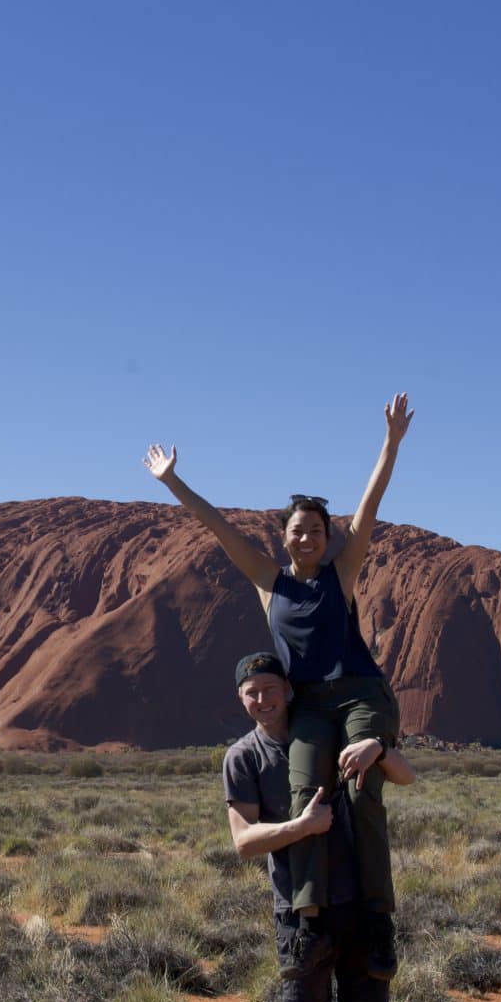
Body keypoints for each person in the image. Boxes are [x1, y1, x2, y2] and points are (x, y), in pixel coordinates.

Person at [144, 393, 413, 971]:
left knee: (362, 785)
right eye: (297, 530)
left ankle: (376, 921)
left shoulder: (342, 574)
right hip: (310, 705)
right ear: (284, 536)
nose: (307, 537)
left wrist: (390, 444)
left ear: (326, 536)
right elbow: (216, 527)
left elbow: (369, 506)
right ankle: (309, 917)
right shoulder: (269, 582)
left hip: (359, 693)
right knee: (305, 797)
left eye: (316, 529)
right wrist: (174, 481)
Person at [222, 650, 422, 1002]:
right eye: (251, 693)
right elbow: (243, 842)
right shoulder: (243, 757)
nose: (261, 700)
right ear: (241, 700)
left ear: (289, 690)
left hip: (359, 904)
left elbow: (406, 778)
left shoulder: (336, 734)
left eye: (270, 689)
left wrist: (378, 744)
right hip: (300, 914)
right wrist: (303, 826)